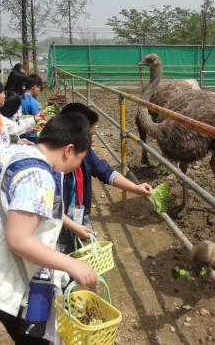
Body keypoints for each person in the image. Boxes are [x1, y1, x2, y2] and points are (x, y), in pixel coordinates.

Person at [0, 113, 98, 345]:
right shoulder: (37, 177)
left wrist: (72, 225)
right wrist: (72, 264)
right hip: (7, 275)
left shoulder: (17, 152)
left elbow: (31, 206)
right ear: (69, 150)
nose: (79, 163)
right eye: (82, 157)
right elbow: (19, 240)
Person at [58, 103, 152, 253]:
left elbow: (105, 171)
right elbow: (50, 209)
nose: (93, 140)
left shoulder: (85, 153)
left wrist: (134, 188)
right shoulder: (52, 167)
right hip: (59, 225)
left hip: (79, 215)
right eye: (91, 135)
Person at [0, 79, 44, 156]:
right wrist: (12, 148)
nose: (4, 95)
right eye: (2, 92)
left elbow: (16, 127)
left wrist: (34, 119)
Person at [20, 74, 44, 142]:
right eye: (40, 88)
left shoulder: (19, 97)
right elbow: (37, 119)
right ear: (35, 87)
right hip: (30, 135)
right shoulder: (32, 101)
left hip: (20, 132)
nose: (39, 90)